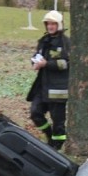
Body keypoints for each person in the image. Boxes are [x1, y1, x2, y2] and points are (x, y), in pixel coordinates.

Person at [27, 10, 70, 150]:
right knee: (35, 113)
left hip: (58, 89)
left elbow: (66, 63)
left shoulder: (65, 42)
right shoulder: (43, 41)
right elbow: (37, 56)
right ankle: (49, 135)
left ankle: (57, 146)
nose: (50, 26)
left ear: (59, 25)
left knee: (58, 122)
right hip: (42, 86)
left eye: (53, 24)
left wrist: (47, 64)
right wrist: (34, 62)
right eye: (48, 24)